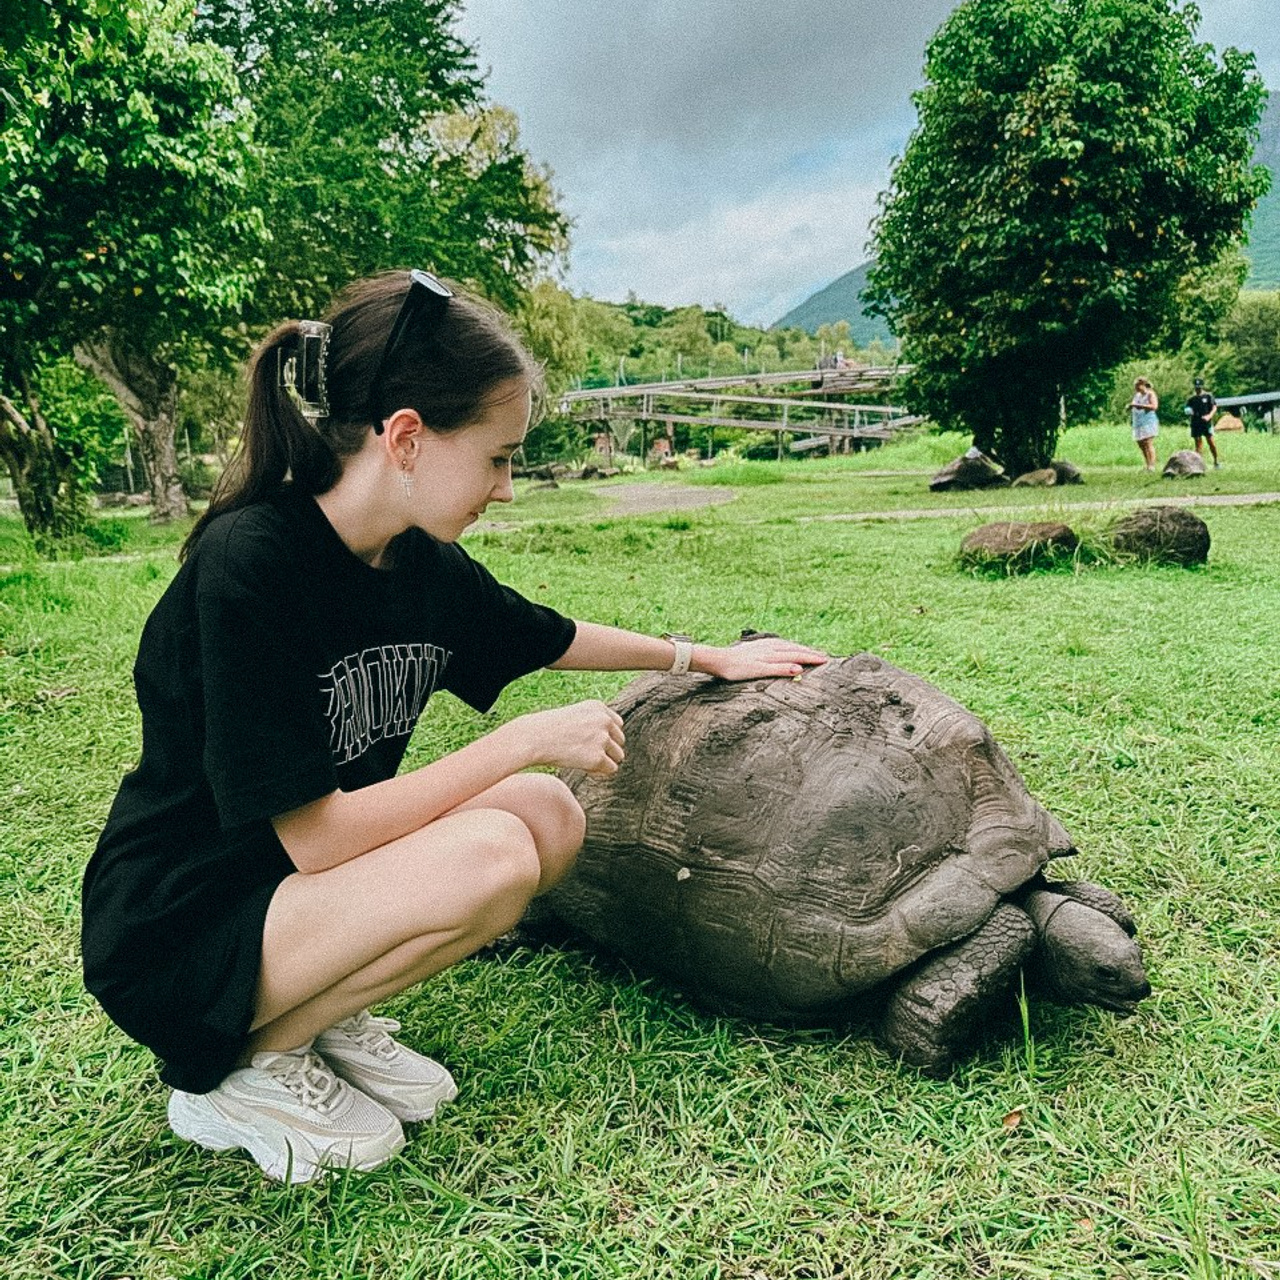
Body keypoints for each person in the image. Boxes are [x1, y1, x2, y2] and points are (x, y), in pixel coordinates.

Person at [81, 270, 828, 1183]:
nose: (508, 488)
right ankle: (238, 1071)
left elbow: (548, 635)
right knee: (494, 854)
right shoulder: (253, 568)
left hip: (299, 904)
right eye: (498, 456)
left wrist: (701, 656)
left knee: (549, 817)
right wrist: (516, 740)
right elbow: (317, 842)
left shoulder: (417, 564)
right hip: (183, 927)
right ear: (406, 437)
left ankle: (316, 1016)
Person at [1184, 377, 1221, 468]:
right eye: (1196, 387)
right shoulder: (1192, 399)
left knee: (1211, 442)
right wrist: (1189, 412)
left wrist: (1209, 416)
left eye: (1199, 387)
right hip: (1196, 422)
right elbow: (1187, 409)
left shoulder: (1208, 396)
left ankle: (1216, 461)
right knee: (1198, 444)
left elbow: (1214, 407)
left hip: (1206, 422)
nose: (1198, 389)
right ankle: (1199, 464)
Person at [1128, 377, 1159, 471]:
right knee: (1141, 444)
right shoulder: (1137, 395)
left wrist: (1139, 406)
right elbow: (1134, 404)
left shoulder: (1150, 394)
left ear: (1143, 385)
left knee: (1148, 442)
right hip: (1138, 422)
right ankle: (1147, 464)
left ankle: (1152, 465)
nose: (1136, 388)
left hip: (1148, 421)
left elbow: (1154, 406)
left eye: (1137, 386)